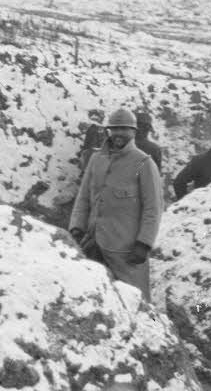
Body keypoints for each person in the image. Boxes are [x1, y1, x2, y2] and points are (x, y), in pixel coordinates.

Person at [69, 108, 164, 301]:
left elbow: (153, 208)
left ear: (134, 132)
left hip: (126, 251)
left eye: (124, 129)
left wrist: (144, 244)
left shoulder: (143, 163)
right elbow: (84, 197)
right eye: (115, 129)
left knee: (135, 301)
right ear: (108, 131)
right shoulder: (96, 159)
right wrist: (77, 227)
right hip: (93, 244)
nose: (119, 133)